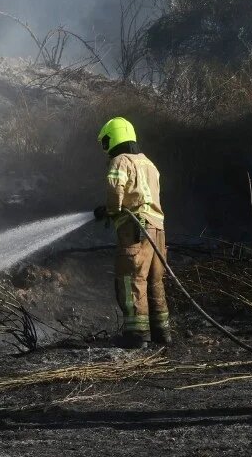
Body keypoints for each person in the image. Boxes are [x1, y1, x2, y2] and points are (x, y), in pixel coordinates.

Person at [93, 117, 170, 349]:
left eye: (105, 142)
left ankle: (136, 335)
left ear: (112, 138)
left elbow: (115, 190)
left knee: (131, 279)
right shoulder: (149, 163)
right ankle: (162, 332)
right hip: (157, 229)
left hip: (136, 228)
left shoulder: (120, 161)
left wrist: (109, 210)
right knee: (154, 280)